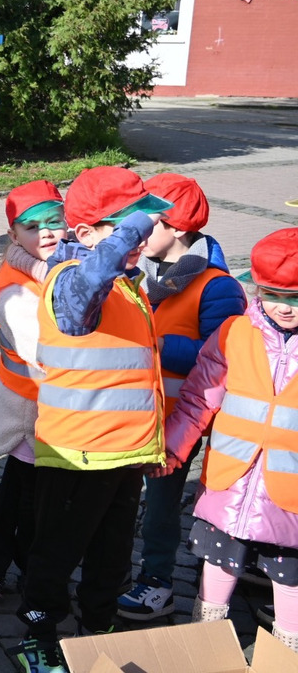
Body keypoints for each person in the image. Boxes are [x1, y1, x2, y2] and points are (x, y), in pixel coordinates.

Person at [9, 167, 171, 673]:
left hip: (122, 452)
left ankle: (98, 627)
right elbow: (93, 276)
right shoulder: (71, 284)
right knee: (56, 552)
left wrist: (153, 447)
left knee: (112, 554)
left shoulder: (127, 285)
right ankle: (40, 635)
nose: (142, 240)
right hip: (78, 454)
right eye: (127, 229)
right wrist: (135, 227)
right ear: (87, 234)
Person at [115, 173, 246, 622]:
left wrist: (151, 343)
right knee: (125, 498)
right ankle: (116, 570)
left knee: (162, 505)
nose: (134, 232)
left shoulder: (217, 286)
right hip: (133, 413)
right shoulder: (136, 271)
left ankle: (158, 581)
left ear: (177, 229)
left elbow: (223, 356)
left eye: (145, 223)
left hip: (179, 422)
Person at [162, 227, 298, 653]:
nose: (285, 308)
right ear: (257, 289)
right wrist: (171, 449)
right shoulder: (233, 334)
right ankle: (205, 646)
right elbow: (197, 401)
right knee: (218, 566)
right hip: (231, 483)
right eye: (274, 295)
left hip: (290, 493)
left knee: (290, 578)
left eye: (295, 298)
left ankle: (287, 652)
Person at [0, 181, 67, 600]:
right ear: (13, 235)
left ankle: (2, 564)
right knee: (26, 500)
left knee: (24, 494)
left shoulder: (54, 268)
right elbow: (42, 354)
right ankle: (4, 566)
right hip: (30, 410)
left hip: (45, 408)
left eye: (54, 221)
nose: (45, 233)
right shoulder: (16, 290)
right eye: (31, 226)